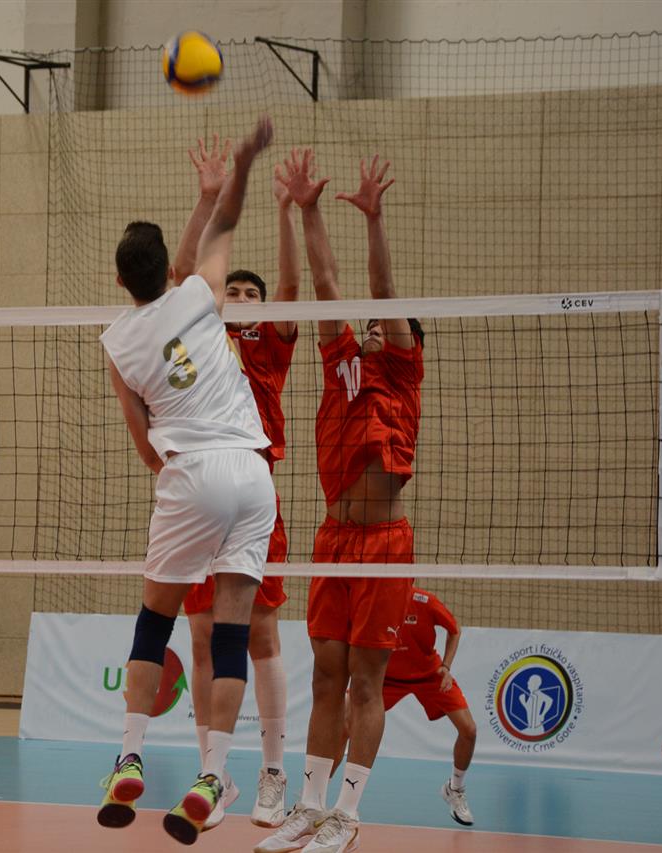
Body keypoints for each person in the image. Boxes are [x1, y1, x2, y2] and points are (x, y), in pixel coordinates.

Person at [95, 114, 275, 846]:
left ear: (119, 279)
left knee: (156, 620)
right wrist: (238, 166)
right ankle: (213, 773)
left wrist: (169, 472)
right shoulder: (202, 293)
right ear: (170, 263)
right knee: (232, 633)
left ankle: (130, 755)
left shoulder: (116, 342)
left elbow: (144, 443)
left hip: (191, 471)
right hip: (254, 472)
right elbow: (224, 223)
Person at [258, 150, 423, 853]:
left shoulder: (403, 373)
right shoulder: (342, 361)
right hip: (333, 540)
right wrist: (308, 208)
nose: (378, 325)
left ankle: (348, 815)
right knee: (326, 677)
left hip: (384, 544)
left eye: (392, 325)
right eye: (375, 324)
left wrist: (375, 220)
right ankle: (309, 805)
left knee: (364, 682)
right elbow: (327, 283)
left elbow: (381, 290)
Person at [172, 135, 300, 830]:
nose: (244, 298)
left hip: (254, 497)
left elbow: (291, 289)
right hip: (200, 497)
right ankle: (212, 774)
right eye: (236, 291)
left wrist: (282, 209)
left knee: (261, 635)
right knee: (200, 637)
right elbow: (184, 273)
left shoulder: (269, 342)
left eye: (253, 293)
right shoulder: (200, 335)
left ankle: (273, 770)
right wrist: (210, 198)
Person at [328, 587, 475, 826]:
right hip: (385, 676)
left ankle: (455, 789)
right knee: (344, 723)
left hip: (430, 675)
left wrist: (446, 666)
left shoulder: (426, 602)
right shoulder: (375, 601)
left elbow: (454, 629)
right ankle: (315, 797)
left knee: (469, 730)